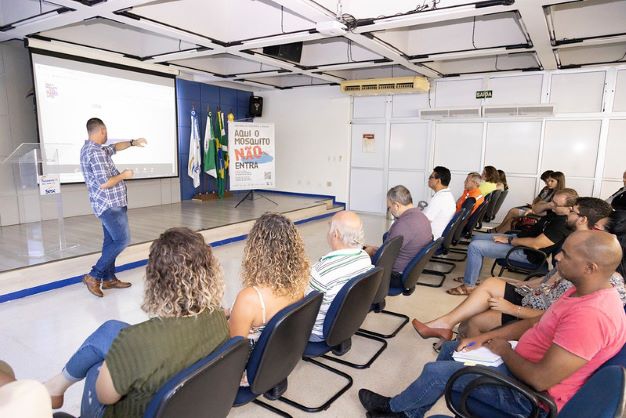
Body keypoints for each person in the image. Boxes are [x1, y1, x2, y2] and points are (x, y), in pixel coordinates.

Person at [359, 230, 626, 418]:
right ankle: (409, 410)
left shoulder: (592, 316)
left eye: (566, 255)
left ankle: (398, 411)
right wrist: (484, 338)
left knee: (436, 372)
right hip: (521, 365)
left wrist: (503, 350)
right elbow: (533, 325)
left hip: (529, 398)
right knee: (451, 349)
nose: (557, 258)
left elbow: (540, 378)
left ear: (590, 267)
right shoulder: (581, 289)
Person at [43, 227, 229, 417]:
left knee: (94, 369)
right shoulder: (219, 319)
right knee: (112, 328)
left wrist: (111, 363)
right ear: (209, 272)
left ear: (155, 280)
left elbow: (105, 396)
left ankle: (57, 386)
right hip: (192, 406)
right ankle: (57, 385)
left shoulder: (135, 341)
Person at [413, 197, 619, 340]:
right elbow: (550, 278)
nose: (567, 212)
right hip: (536, 294)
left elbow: (558, 313)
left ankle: (464, 353)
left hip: (537, 308)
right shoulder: (574, 240)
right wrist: (521, 283)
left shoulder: (587, 256)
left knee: (477, 317)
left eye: (572, 211)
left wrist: (512, 308)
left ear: (583, 219)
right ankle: (446, 325)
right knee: (490, 283)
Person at [447, 188, 578, 296]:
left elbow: (536, 244)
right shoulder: (556, 212)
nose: (553, 205)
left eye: (556, 204)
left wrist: (509, 240)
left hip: (528, 253)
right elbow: (536, 209)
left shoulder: (562, 224)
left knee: (475, 246)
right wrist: (551, 204)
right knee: (476, 238)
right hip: (521, 240)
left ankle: (469, 286)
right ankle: (473, 278)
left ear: (570, 208)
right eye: (552, 201)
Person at [229, 213, 310, 383]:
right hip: (280, 358)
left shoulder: (249, 299)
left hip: (253, 371)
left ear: (255, 249)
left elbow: (233, 354)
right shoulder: (300, 283)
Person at [80, 117, 147, 297]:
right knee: (122, 240)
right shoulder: (96, 153)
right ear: (101, 130)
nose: (107, 135)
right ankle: (94, 276)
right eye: (106, 132)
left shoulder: (92, 149)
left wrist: (133, 142)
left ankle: (109, 279)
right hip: (110, 205)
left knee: (110, 241)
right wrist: (124, 174)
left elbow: (115, 147)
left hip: (107, 204)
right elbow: (104, 183)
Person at [306, 211, 373, 341]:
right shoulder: (364, 257)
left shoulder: (321, 272)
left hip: (318, 332)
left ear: (335, 234)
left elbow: (302, 305)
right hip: (347, 323)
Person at [364, 186, 432, 289]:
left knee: (354, 263)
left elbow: (383, 258)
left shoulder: (403, 224)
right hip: (408, 270)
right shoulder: (422, 217)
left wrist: (368, 252)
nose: (390, 210)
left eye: (389, 207)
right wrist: (376, 250)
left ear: (396, 205)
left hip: (394, 275)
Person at [492, 170, 565, 233]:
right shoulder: (549, 190)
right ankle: (497, 231)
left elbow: (549, 211)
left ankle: (497, 231)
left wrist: (534, 209)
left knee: (513, 211)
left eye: (552, 181)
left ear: (559, 182)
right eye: (548, 180)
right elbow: (538, 201)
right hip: (536, 210)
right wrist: (536, 206)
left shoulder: (558, 196)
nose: (548, 183)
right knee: (512, 217)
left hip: (540, 215)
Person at [422, 166, 456, 239]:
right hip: (436, 236)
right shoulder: (446, 195)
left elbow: (424, 222)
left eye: (431, 177)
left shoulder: (439, 198)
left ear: (438, 181)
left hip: (430, 238)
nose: (428, 179)